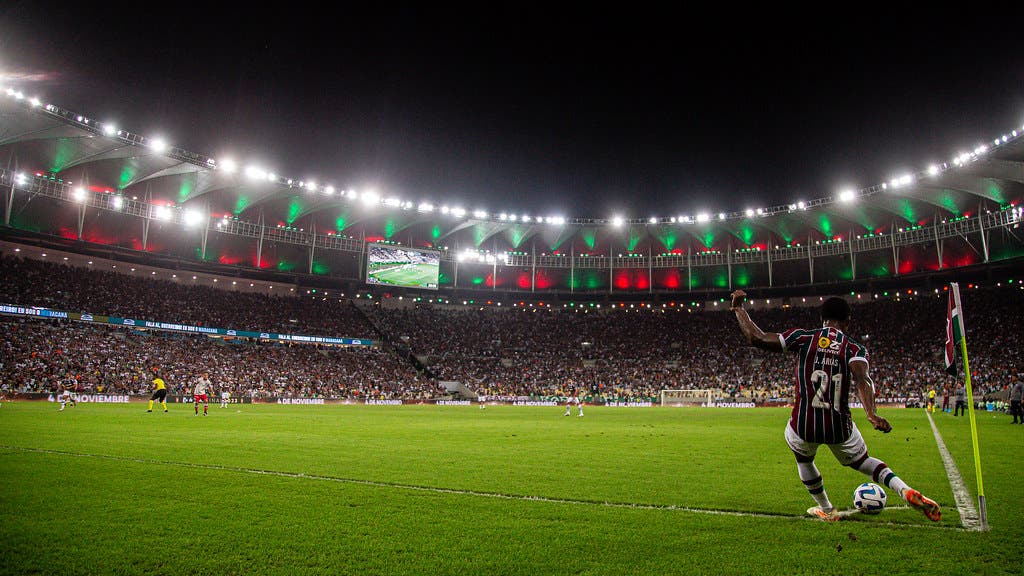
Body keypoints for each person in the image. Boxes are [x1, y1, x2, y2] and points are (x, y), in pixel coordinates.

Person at [729, 290, 941, 522]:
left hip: (804, 424)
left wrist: (739, 309)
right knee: (865, 463)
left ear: (822, 319)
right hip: (838, 426)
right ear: (847, 322)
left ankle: (827, 509)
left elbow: (756, 338)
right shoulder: (854, 349)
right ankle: (904, 490)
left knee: (803, 458)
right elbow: (863, 379)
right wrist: (871, 413)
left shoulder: (804, 338)